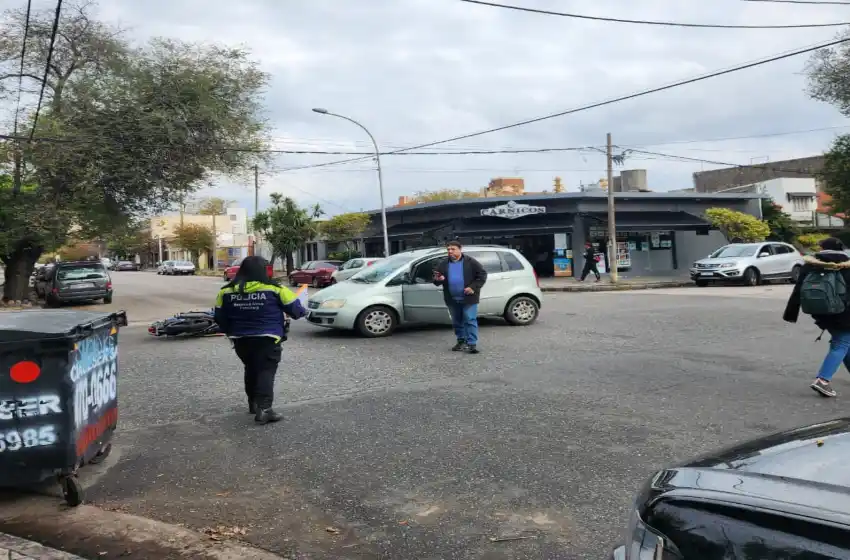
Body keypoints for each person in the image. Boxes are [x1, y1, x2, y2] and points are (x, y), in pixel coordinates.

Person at [214, 256, 306, 423]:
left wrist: (231, 331)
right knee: (265, 370)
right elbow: (297, 311)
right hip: (268, 338)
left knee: (250, 368)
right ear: (265, 271)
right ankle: (265, 409)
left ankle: (254, 404)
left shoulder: (226, 291)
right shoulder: (275, 289)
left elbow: (219, 317)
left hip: (240, 339)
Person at [784, 237, 850, 398]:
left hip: (820, 311)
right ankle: (823, 380)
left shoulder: (810, 266)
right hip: (845, 312)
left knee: (843, 341)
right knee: (841, 342)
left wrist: (791, 313)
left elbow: (798, 289)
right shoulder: (847, 267)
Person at [433, 241, 488, 354]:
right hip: (452, 298)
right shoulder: (443, 264)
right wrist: (438, 279)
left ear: (460, 249)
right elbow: (436, 279)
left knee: (469, 319)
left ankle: (472, 344)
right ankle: (461, 341)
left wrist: (473, 287)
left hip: (469, 297)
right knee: (457, 321)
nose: (450, 251)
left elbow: (482, 275)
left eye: (453, 249)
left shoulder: (470, 262)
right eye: (448, 249)